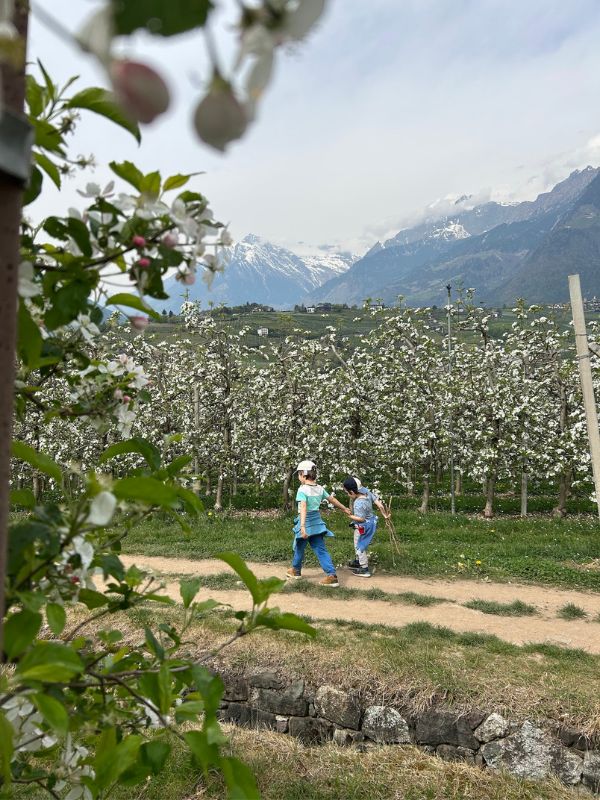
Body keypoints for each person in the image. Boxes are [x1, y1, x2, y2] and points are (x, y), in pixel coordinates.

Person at [286, 460, 350, 587]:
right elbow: (332, 499)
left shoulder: (302, 490)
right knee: (321, 550)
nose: (299, 478)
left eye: (299, 475)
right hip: (317, 523)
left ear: (303, 475)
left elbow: (303, 508)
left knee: (299, 547)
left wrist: (303, 526)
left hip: (306, 522)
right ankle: (331, 575)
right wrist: (344, 508)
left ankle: (296, 570)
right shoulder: (320, 489)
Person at [343, 476, 389, 578]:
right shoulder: (366, 492)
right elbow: (379, 504)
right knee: (361, 544)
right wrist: (385, 515)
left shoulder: (358, 503)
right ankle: (359, 561)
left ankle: (364, 568)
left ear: (352, 492)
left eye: (347, 492)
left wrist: (350, 515)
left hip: (362, 527)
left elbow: (361, 519)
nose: (347, 494)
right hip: (371, 523)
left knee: (359, 545)